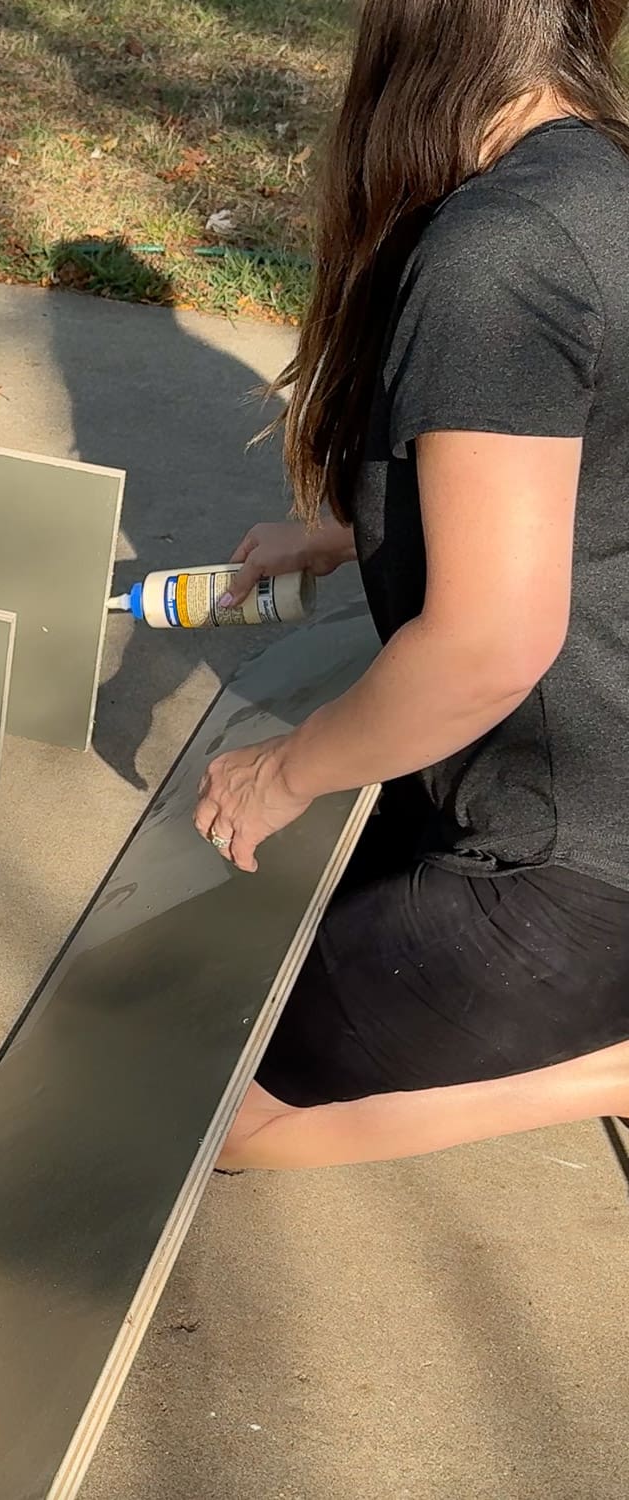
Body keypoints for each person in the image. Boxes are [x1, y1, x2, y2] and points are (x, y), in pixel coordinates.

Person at [194, 0, 629, 1170]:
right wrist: (347, 528)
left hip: (577, 858)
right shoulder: (604, 185)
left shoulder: (503, 249)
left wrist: (283, 771)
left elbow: (488, 648)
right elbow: (588, 460)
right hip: (593, 809)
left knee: (207, 1117)